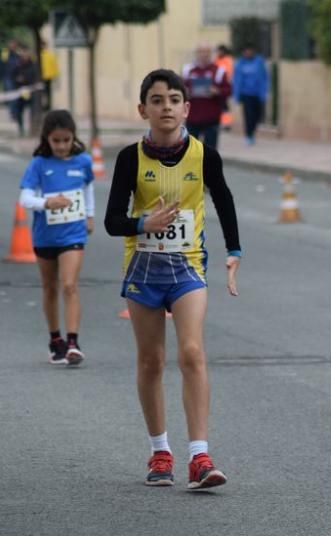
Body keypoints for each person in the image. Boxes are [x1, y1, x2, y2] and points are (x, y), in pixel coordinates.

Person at [104, 69, 241, 490]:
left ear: (187, 108)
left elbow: (224, 201)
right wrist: (145, 222)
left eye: (173, 100)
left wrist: (234, 253)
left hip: (188, 269)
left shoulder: (205, 155)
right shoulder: (130, 158)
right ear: (143, 109)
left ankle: (199, 456)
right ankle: (160, 451)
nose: (166, 107)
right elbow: (112, 221)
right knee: (150, 360)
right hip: (144, 270)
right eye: (157, 100)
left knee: (192, 352)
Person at [19, 109, 95, 366]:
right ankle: (55, 340)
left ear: (74, 137)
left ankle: (73, 341)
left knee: (70, 285)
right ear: (47, 139)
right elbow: (25, 198)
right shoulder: (38, 164)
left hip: (73, 232)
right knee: (50, 287)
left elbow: (88, 188)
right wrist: (46, 203)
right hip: (45, 236)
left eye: (66, 140)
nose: (62, 146)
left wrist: (90, 215)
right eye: (56, 141)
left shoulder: (83, 161)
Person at [181, 44, 231, 148]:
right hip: (192, 117)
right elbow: (178, 90)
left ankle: (208, 165)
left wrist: (217, 91)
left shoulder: (219, 71)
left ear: (211, 54)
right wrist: (185, 93)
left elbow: (228, 90)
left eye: (207, 52)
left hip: (211, 118)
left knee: (210, 151)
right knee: (191, 150)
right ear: (196, 54)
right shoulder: (187, 70)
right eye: (201, 52)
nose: (204, 55)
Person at [232, 46, 268, 146]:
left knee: (258, 115)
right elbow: (236, 79)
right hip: (245, 94)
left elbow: (264, 77)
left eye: (250, 51)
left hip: (257, 93)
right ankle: (249, 135)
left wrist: (264, 92)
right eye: (246, 52)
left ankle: (252, 130)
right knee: (248, 115)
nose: (248, 53)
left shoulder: (259, 62)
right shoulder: (240, 63)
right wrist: (236, 95)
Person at [9, 46, 38, 136]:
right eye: (23, 55)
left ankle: (33, 128)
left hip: (30, 91)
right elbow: (12, 77)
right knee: (19, 111)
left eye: (26, 55)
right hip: (19, 92)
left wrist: (28, 80)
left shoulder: (33, 65)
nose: (24, 57)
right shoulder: (17, 65)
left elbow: (35, 78)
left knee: (32, 110)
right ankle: (21, 128)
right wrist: (17, 80)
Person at [214, 44, 235, 130]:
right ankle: (221, 122)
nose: (218, 52)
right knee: (220, 105)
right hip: (217, 85)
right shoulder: (217, 60)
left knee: (224, 105)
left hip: (225, 84)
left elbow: (229, 72)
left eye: (220, 51)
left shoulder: (228, 60)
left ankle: (226, 123)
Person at [39, 40, 59, 111]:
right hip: (41, 77)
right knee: (42, 92)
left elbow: (54, 66)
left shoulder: (49, 55)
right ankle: (43, 105)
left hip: (48, 77)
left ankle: (48, 106)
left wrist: (55, 75)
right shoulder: (39, 55)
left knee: (47, 93)